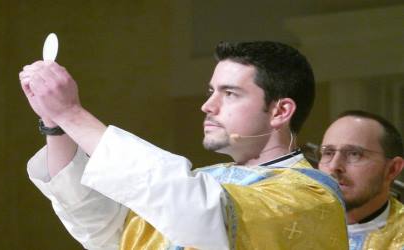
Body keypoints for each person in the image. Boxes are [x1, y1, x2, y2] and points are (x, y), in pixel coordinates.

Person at [19, 41, 348, 249]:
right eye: (211, 92)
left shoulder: (310, 198)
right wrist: (56, 124)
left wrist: (73, 113)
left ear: (280, 111)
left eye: (229, 93)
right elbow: (107, 231)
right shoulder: (211, 182)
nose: (208, 106)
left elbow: (196, 211)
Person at [318, 110, 404, 250]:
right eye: (328, 153)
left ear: (392, 169)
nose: (334, 166)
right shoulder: (291, 223)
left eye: (354, 154)